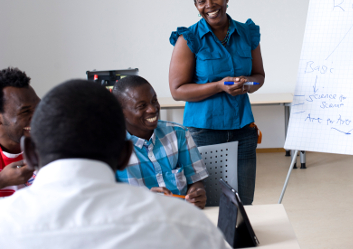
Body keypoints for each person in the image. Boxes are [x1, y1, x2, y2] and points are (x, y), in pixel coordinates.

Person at [0, 79, 229, 249]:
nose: (152, 109)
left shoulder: (5, 225)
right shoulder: (187, 226)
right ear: (124, 154)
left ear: (29, 154)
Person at [169, 0, 265, 205]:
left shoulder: (247, 33)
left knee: (243, 203)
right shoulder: (189, 38)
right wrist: (219, 87)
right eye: (202, 1)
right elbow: (177, 90)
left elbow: (258, 77)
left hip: (243, 130)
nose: (210, 5)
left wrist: (246, 85)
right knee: (210, 203)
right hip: (204, 133)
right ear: (196, 5)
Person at [113, 75, 208, 209]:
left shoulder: (178, 133)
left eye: (154, 101)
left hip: (181, 217)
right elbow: (105, 201)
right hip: (138, 222)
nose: (152, 109)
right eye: (141, 106)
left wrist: (197, 193)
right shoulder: (108, 147)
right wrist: (145, 200)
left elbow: (196, 181)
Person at [0, 67, 39, 197]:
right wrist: (3, 181)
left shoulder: (50, 148)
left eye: (38, 107)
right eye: (25, 111)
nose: (37, 117)